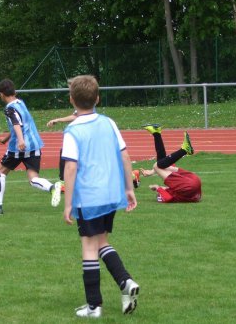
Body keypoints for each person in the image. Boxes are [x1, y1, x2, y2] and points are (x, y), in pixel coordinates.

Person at [61, 75, 139, 318]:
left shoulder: (72, 129)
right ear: (97, 98)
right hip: (110, 194)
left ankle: (94, 306)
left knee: (88, 245)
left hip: (89, 197)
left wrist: (68, 203)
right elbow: (125, 156)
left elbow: (71, 168)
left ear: (71, 99)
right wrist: (129, 188)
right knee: (101, 242)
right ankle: (126, 282)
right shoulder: (109, 122)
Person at [0, 78, 60, 215]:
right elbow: (21, 123)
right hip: (35, 145)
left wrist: (20, 140)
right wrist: (6, 138)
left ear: (1, 94)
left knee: (0, 172)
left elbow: (17, 124)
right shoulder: (21, 103)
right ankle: (52, 187)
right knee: (33, 179)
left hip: (18, 148)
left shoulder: (9, 109)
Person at [138, 124, 201, 203]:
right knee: (159, 165)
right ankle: (184, 150)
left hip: (194, 183)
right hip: (189, 186)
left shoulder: (176, 192)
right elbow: (167, 197)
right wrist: (157, 187)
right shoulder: (175, 192)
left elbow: (167, 197)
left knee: (159, 165)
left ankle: (157, 133)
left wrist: (156, 185)